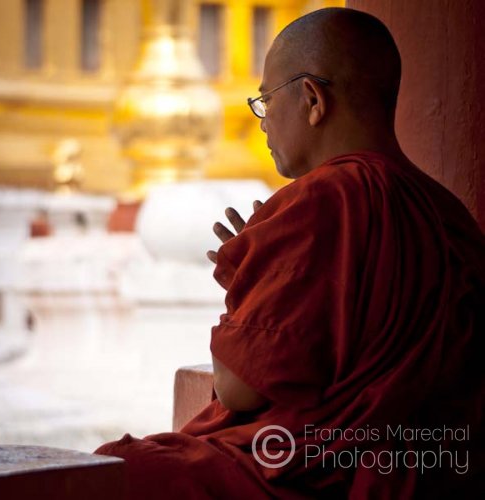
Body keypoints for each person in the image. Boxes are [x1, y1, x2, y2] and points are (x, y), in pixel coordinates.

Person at [95, 7, 485, 499]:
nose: (262, 122)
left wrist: (247, 283)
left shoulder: (326, 198)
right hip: (443, 469)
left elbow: (241, 386)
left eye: (265, 100)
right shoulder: (451, 212)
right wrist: (267, 263)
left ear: (312, 98)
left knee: (120, 466)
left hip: (328, 477)